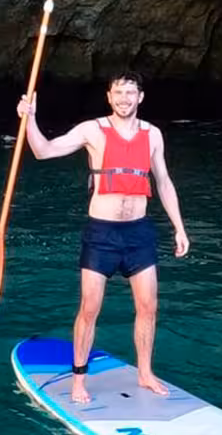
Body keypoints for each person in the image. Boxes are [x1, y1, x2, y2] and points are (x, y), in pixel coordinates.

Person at [18, 71, 190, 404]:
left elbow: (164, 182)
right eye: (118, 93)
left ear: (141, 97)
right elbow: (44, 151)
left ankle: (145, 373)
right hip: (102, 233)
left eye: (130, 92)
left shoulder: (153, 135)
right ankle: (79, 378)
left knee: (148, 307)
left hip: (139, 232)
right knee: (90, 308)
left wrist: (179, 227)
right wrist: (30, 120)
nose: (124, 98)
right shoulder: (92, 130)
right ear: (109, 97)